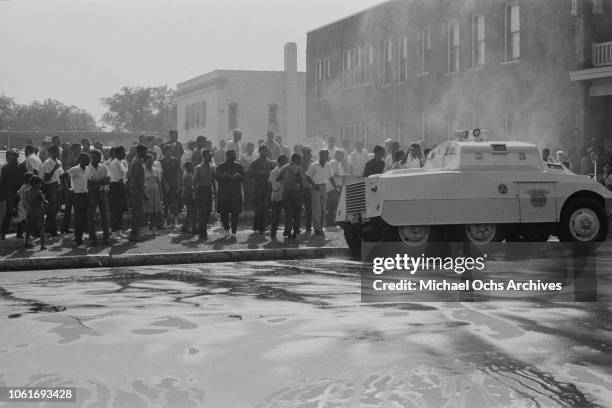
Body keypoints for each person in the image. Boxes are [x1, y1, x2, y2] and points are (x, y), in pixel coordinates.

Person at [306, 149, 339, 236]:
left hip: (324, 187)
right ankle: (317, 229)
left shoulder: (328, 165)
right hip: (315, 188)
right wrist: (314, 184)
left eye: (327, 155)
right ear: (320, 155)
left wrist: (336, 187)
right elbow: (307, 176)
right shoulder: (314, 165)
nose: (326, 157)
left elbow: (331, 177)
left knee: (323, 209)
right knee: (317, 209)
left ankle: (320, 227)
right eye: (324, 155)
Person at [215, 150, 244, 238]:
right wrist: (223, 175)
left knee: (235, 213)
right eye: (232, 155)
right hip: (224, 193)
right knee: (224, 213)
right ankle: (227, 229)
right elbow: (216, 177)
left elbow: (244, 178)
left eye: (234, 155)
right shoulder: (221, 166)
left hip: (235, 193)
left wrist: (239, 176)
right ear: (227, 156)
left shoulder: (239, 166)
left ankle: (234, 231)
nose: (234, 156)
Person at [248, 144, 275, 233]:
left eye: (267, 150)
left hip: (267, 187)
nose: (266, 152)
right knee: (258, 207)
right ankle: (257, 226)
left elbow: (273, 172)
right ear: (260, 151)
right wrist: (263, 172)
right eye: (264, 150)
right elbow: (250, 173)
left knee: (266, 207)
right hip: (258, 187)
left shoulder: (269, 162)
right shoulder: (255, 162)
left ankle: (263, 226)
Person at [0, 149, 26, 240]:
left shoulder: (22, 167)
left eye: (16, 155)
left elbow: (25, 180)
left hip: (20, 193)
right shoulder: (5, 168)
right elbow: (2, 183)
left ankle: (20, 232)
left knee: (20, 213)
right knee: (9, 212)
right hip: (9, 193)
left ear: (18, 156)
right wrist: (2, 196)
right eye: (13, 155)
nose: (14, 157)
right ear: (10, 156)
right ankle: (3, 233)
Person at [279, 153, 305, 241]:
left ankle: (287, 232)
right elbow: (302, 182)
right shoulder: (299, 168)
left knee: (288, 214)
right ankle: (296, 232)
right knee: (297, 214)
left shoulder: (285, 167)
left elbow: (278, 178)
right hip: (296, 192)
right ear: (296, 159)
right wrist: (302, 194)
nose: (301, 161)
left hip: (286, 192)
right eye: (300, 159)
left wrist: (287, 181)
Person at [86, 149, 110, 245]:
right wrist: (101, 182)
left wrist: (96, 183)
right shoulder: (87, 168)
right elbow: (89, 184)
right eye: (98, 157)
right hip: (91, 193)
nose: (100, 158)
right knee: (91, 216)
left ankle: (106, 238)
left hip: (101, 192)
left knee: (105, 216)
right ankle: (93, 238)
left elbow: (108, 180)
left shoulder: (104, 167)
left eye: (100, 156)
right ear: (92, 157)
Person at [67, 153, 91, 247]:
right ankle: (78, 241)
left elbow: (88, 181)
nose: (88, 161)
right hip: (77, 196)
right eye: (86, 159)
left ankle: (79, 237)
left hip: (85, 195)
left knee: (84, 218)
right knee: (79, 218)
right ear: (80, 160)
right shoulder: (74, 169)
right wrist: (68, 189)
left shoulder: (87, 169)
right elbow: (63, 176)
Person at [194, 149, 216, 239]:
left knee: (208, 210)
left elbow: (213, 180)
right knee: (202, 211)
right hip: (201, 189)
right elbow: (195, 181)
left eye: (211, 156)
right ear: (204, 156)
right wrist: (195, 192)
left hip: (208, 190)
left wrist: (215, 191)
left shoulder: (212, 167)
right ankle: (202, 231)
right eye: (209, 156)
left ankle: (202, 228)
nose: (210, 157)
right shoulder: (198, 167)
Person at [128, 144, 148, 242]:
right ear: (140, 151)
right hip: (137, 190)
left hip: (136, 189)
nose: (146, 154)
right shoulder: (137, 162)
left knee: (137, 212)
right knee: (137, 213)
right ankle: (134, 234)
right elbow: (137, 179)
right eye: (145, 152)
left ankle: (135, 233)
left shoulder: (136, 161)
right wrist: (144, 193)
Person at [42, 145, 63, 237]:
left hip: (57, 187)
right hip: (50, 187)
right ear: (52, 152)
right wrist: (54, 168)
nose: (59, 153)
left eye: (58, 151)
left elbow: (61, 175)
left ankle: (48, 228)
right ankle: (53, 230)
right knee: (52, 209)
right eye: (57, 151)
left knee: (56, 209)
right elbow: (46, 178)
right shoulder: (48, 162)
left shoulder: (58, 161)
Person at [109, 146, 128, 240]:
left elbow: (124, 177)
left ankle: (119, 231)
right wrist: (125, 187)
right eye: (123, 152)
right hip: (116, 187)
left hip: (121, 186)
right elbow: (118, 178)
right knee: (115, 211)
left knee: (120, 210)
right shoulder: (114, 163)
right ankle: (113, 232)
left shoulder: (122, 162)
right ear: (118, 153)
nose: (125, 154)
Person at [161, 144, 182, 229]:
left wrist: (179, 185)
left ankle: (176, 221)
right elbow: (161, 174)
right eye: (168, 150)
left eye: (171, 150)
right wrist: (165, 183)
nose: (170, 152)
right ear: (164, 152)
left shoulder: (175, 160)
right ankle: (165, 222)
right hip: (165, 183)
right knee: (166, 203)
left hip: (174, 183)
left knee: (174, 202)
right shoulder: (161, 161)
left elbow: (178, 173)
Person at [24, 175, 47, 250]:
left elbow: (27, 201)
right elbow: (44, 201)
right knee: (41, 228)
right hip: (38, 210)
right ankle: (42, 246)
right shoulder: (38, 192)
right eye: (39, 183)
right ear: (35, 183)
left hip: (30, 210)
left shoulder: (27, 191)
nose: (41, 185)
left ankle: (26, 243)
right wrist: (47, 202)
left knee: (29, 228)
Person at [269, 155, 288, 240]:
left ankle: (285, 233)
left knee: (287, 215)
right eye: (285, 161)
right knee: (276, 216)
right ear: (280, 162)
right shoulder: (275, 171)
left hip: (282, 194)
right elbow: (270, 183)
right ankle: (273, 234)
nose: (286, 163)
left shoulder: (285, 170)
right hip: (277, 194)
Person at [143, 153, 163, 234]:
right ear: (145, 161)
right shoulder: (142, 169)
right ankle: (145, 228)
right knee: (146, 211)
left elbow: (158, 182)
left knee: (155, 211)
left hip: (155, 191)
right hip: (146, 190)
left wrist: (160, 193)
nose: (151, 162)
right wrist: (144, 194)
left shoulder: (156, 169)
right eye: (149, 160)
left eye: (152, 160)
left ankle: (153, 228)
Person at [327, 150, 348, 226]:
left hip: (337, 186)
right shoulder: (333, 162)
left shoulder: (338, 163)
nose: (342, 158)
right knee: (332, 205)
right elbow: (334, 174)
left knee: (335, 205)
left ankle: (334, 220)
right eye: (341, 156)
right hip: (333, 187)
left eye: (342, 156)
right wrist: (343, 175)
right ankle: (330, 221)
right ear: (337, 155)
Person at [16, 172, 34, 239]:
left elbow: (18, 192)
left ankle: (20, 233)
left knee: (22, 219)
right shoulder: (27, 187)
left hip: (23, 204)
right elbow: (23, 196)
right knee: (24, 220)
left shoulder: (24, 186)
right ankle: (25, 233)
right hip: (24, 205)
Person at [240, 142, 256, 211]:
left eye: (252, 147)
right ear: (247, 148)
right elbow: (242, 167)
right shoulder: (243, 157)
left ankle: (252, 206)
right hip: (246, 176)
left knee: (253, 191)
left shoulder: (255, 156)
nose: (251, 149)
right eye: (249, 147)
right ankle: (246, 207)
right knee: (247, 191)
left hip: (254, 176)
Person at [181, 161, 197, 235]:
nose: (193, 167)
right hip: (188, 194)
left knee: (190, 212)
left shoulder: (187, 174)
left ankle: (185, 227)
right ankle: (194, 229)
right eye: (191, 166)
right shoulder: (188, 175)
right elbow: (189, 187)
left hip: (186, 194)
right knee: (192, 212)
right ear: (188, 167)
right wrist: (195, 191)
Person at [301, 146, 314, 233]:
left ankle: (308, 226)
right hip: (300, 188)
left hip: (309, 188)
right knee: (298, 208)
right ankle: (297, 226)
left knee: (309, 208)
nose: (308, 154)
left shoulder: (313, 163)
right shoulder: (299, 162)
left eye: (309, 152)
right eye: (306, 152)